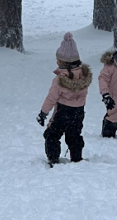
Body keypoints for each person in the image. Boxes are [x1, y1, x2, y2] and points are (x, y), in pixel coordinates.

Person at [37, 32, 92, 167]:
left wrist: (43, 112)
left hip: (63, 112)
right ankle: (77, 158)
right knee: (74, 135)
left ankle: (53, 159)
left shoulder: (60, 80)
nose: (57, 62)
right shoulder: (83, 76)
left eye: (58, 60)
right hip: (79, 112)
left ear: (63, 62)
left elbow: (51, 97)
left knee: (52, 135)